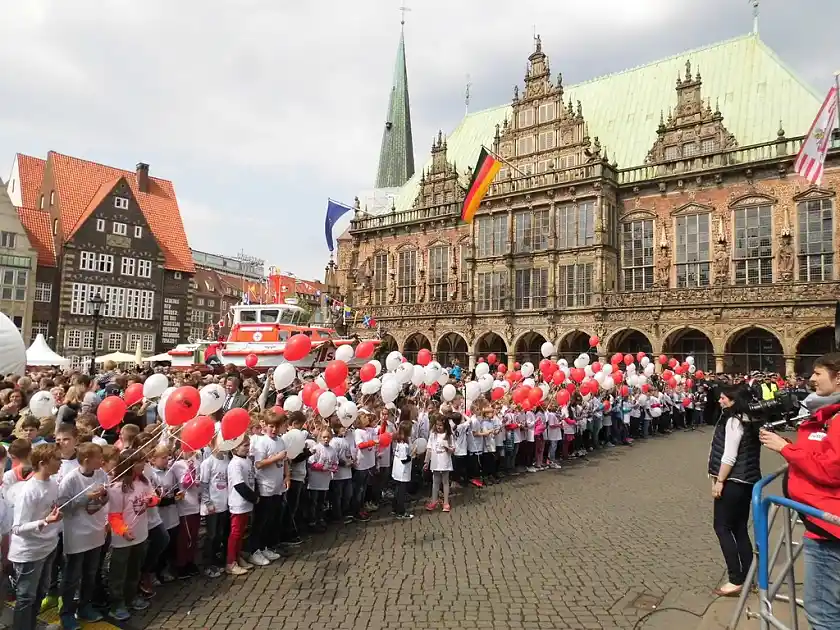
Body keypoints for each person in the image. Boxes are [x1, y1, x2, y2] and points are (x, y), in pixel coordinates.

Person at [760, 353, 840, 630]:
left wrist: (785, 449)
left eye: (818, 373)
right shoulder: (828, 412)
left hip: (828, 524)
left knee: (823, 614)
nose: (812, 379)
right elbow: (821, 455)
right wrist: (790, 448)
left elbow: (833, 469)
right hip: (822, 518)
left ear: (838, 377)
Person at [708, 384, 761, 597]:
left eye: (723, 398)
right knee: (739, 528)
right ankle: (749, 577)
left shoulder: (734, 421)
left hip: (734, 481)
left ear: (733, 400)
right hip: (748, 481)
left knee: (722, 527)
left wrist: (720, 480)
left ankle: (736, 579)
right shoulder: (750, 419)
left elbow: (729, 455)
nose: (720, 401)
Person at [9, 443, 62, 630]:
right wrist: (45, 521)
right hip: (29, 553)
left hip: (48, 547)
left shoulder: (53, 483)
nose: (61, 462)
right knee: (26, 597)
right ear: (43, 463)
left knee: (40, 593)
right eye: (57, 458)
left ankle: (30, 625)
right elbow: (17, 528)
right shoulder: (29, 491)